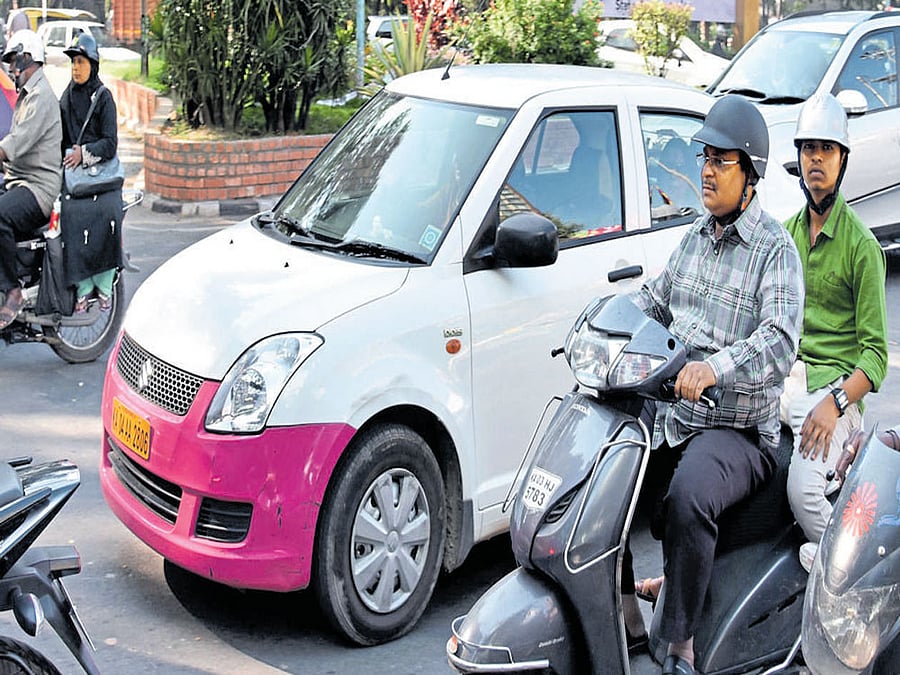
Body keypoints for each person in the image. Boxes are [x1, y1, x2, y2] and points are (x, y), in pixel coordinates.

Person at [622, 94, 803, 675]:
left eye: (722, 160)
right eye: (705, 156)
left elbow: (779, 339)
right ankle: (622, 609)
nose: (706, 169)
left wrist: (715, 367)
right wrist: (600, 324)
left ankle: (679, 641)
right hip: (678, 417)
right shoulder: (695, 238)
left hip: (739, 431)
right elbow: (651, 302)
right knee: (609, 473)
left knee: (690, 495)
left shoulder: (774, 249)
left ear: (749, 174)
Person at [780, 92, 888, 565]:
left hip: (832, 395)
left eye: (826, 149)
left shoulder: (862, 248)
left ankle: (845, 574)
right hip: (784, 385)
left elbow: (876, 357)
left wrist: (836, 401)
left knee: (803, 491)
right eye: (808, 149)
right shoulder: (784, 235)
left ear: (842, 159)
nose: (815, 159)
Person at [0, 29, 62, 329]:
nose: (11, 69)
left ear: (28, 58)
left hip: (38, 188)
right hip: (20, 179)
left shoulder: (41, 97)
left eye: (14, 61)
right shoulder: (26, 96)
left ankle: (12, 291)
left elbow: (17, 141)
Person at [59, 31, 124, 313]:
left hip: (103, 181)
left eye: (81, 62)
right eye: (73, 62)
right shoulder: (66, 98)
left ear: (93, 65)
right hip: (75, 182)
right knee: (69, 220)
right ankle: (83, 289)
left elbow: (110, 143)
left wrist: (82, 154)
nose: (76, 68)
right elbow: (59, 137)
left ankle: (105, 285)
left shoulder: (104, 97)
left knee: (107, 221)